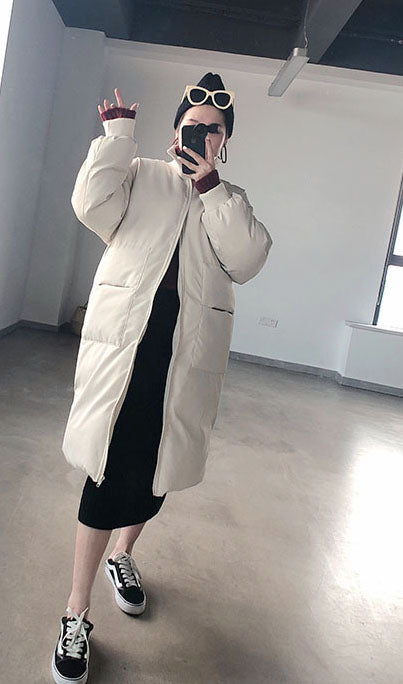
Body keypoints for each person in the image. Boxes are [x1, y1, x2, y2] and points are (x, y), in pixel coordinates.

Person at [52, 72, 273, 684]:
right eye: (193, 125)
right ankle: (76, 611)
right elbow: (89, 205)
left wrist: (211, 188)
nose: (202, 136)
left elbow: (247, 260)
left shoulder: (229, 198)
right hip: (125, 349)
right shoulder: (139, 173)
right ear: (175, 128)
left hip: (185, 358)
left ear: (224, 142)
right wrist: (116, 137)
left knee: (157, 473)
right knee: (105, 474)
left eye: (214, 130)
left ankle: (123, 555)